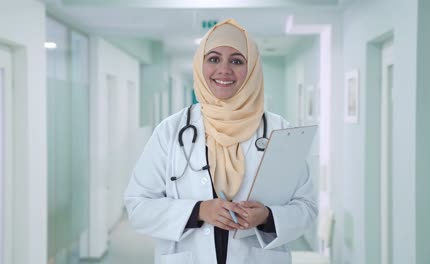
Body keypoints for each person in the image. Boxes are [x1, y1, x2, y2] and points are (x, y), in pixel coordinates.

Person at [124, 18, 317, 264]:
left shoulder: (279, 130)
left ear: (253, 69)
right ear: (200, 65)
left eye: (237, 61)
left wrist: (268, 217)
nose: (224, 69)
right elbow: (138, 207)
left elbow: (307, 207)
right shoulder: (171, 131)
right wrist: (198, 211)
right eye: (213, 59)